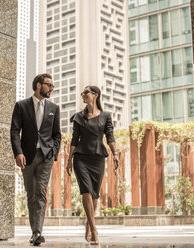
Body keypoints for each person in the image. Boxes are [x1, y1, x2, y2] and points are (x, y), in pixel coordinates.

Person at [10, 73, 61, 246]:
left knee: (40, 192)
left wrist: (54, 152)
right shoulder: (21, 106)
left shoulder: (54, 108)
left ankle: (38, 232)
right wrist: (18, 153)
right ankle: (34, 232)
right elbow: (14, 131)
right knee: (31, 194)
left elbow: (57, 135)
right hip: (27, 156)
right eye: (49, 85)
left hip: (46, 156)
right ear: (38, 85)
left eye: (52, 86)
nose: (52, 88)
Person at [66, 86, 119, 245]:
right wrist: (69, 160)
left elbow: (110, 136)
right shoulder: (78, 117)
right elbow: (74, 140)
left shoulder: (105, 116)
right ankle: (95, 230)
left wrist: (115, 153)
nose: (82, 94)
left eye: (86, 92)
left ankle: (88, 224)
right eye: (82, 93)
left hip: (97, 158)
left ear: (95, 95)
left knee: (95, 194)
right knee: (86, 192)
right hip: (81, 158)